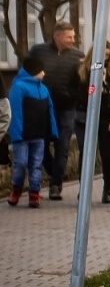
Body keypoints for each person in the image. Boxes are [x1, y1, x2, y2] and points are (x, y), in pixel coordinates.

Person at [28, 21, 83, 201]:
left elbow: (83, 81)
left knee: (63, 146)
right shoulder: (38, 51)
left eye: (73, 37)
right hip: (42, 107)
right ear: (57, 36)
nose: (72, 40)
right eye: (69, 37)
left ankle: (55, 185)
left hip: (67, 108)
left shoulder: (78, 56)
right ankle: (54, 172)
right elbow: (26, 74)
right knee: (41, 146)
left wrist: (74, 95)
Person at [78, 43, 110, 205]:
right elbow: (79, 92)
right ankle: (83, 188)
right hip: (86, 116)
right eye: (102, 55)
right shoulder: (86, 70)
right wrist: (89, 93)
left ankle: (107, 189)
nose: (105, 59)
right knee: (85, 153)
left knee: (106, 154)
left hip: (105, 117)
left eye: (107, 55)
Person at [8, 57, 56, 208]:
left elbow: (50, 111)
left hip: (39, 135)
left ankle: (34, 193)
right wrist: (15, 134)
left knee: (36, 165)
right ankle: (16, 189)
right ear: (34, 71)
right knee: (20, 163)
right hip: (22, 135)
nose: (44, 73)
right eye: (41, 70)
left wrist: (52, 131)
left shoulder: (43, 89)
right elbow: (14, 113)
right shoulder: (18, 87)